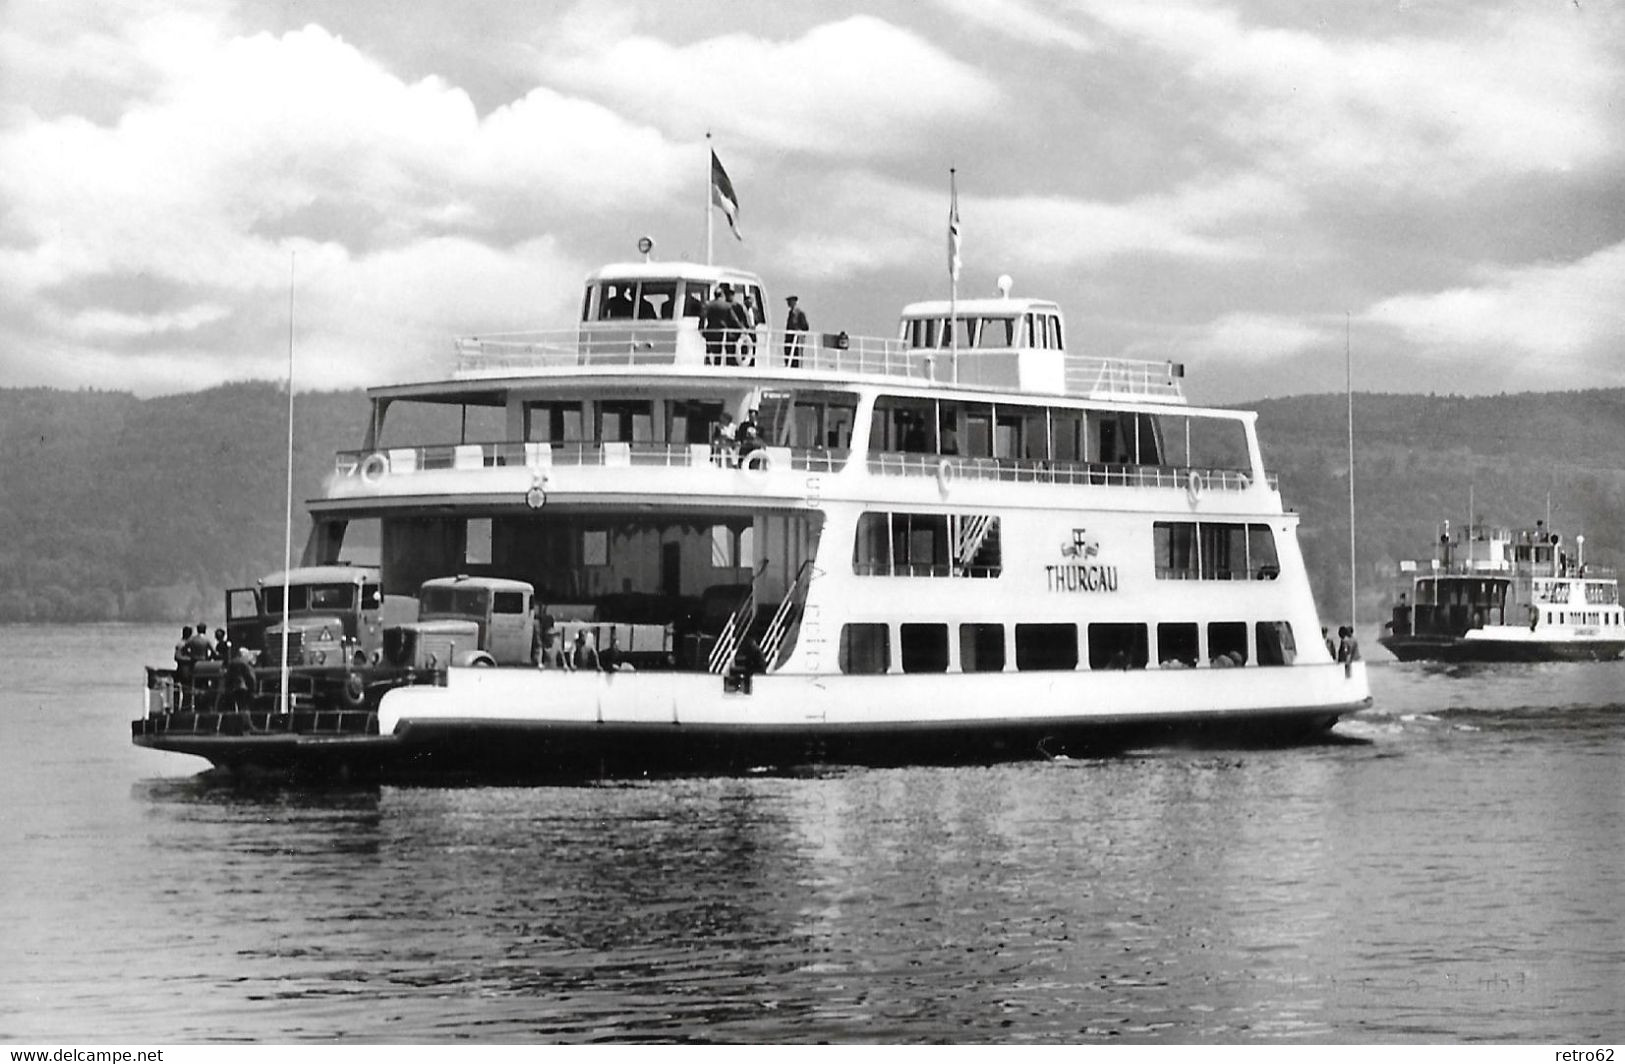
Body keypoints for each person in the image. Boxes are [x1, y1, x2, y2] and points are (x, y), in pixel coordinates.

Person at [700, 284, 735, 364]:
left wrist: (701, 328)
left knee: (708, 349)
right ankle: (716, 365)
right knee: (718, 352)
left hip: (710, 330)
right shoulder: (726, 306)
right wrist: (742, 328)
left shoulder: (708, 305)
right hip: (721, 331)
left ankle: (708, 363)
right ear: (721, 295)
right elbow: (734, 319)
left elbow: (702, 317)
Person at [727, 286, 754, 365]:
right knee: (734, 349)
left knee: (732, 350)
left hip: (733, 332)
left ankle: (733, 363)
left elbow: (741, 318)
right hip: (735, 331)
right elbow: (743, 319)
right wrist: (744, 327)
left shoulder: (735, 306)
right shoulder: (737, 306)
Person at [783, 295, 809, 367]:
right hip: (789, 339)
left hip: (796, 340)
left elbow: (805, 327)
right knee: (788, 356)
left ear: (794, 302)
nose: (788, 303)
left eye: (789, 301)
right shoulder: (790, 313)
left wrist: (798, 331)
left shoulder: (800, 313)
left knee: (796, 358)